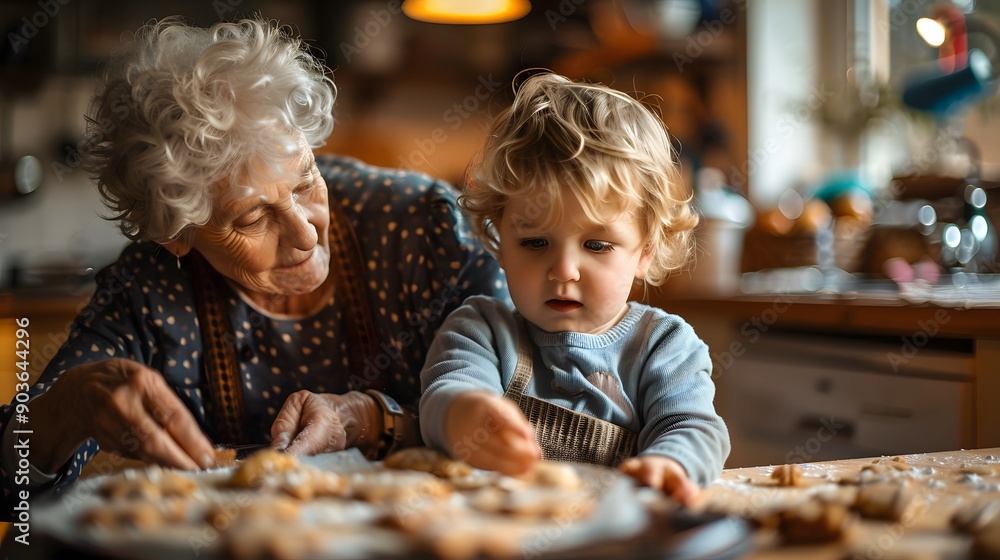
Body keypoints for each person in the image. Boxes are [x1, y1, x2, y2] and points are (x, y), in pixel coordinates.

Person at [0, 17, 505, 515]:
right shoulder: (145, 293)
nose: (306, 233)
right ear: (178, 235)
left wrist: (370, 419)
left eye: (307, 182)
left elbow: (545, 416)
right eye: (252, 217)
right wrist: (67, 408)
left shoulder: (425, 229)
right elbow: (9, 486)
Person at [419, 72, 730, 505]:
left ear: (646, 251)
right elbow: (444, 394)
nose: (563, 271)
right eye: (534, 243)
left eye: (597, 245)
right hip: (503, 532)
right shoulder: (480, 331)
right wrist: (463, 414)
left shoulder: (665, 346)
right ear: (499, 241)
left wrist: (671, 464)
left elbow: (693, 427)